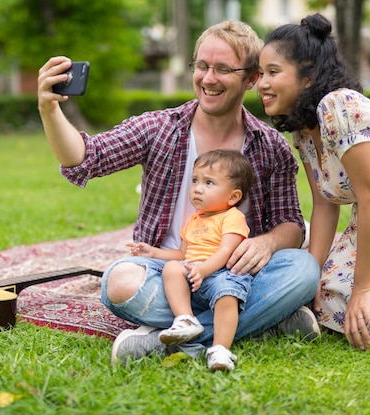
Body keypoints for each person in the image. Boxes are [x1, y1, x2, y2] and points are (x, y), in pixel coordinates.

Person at [37, 20, 321, 365]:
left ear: (250, 79)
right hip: (169, 273)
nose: (208, 78)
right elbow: (85, 158)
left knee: (303, 267)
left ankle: (168, 339)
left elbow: (291, 223)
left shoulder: (271, 145)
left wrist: (269, 242)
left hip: (236, 277)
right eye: (201, 66)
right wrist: (49, 110)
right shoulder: (158, 127)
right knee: (119, 282)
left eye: (222, 69)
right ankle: (262, 322)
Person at [257, 13, 370, 352]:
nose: (262, 84)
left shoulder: (339, 106)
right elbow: (325, 205)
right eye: (260, 74)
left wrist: (362, 290)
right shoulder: (302, 128)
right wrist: (308, 278)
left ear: (308, 76)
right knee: (325, 301)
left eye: (273, 72)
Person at [128, 149, 255, 371]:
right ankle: (186, 320)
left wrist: (204, 271)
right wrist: (153, 252)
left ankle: (220, 349)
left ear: (233, 196)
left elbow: (226, 252)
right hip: (195, 272)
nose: (197, 188)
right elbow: (181, 254)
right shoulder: (194, 220)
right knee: (172, 268)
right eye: (195, 180)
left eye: (209, 183)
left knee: (227, 294)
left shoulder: (232, 218)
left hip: (221, 273)